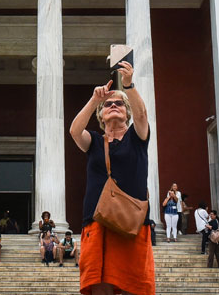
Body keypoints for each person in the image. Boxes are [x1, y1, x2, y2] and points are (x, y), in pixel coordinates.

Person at [70, 61, 155, 295]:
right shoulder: (95, 142)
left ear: (127, 113)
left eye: (119, 104)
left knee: (134, 288)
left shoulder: (137, 138)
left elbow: (142, 114)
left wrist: (128, 85)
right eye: (108, 105)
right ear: (101, 114)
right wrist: (94, 100)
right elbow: (75, 131)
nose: (114, 106)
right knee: (100, 288)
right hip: (98, 221)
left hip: (132, 223)